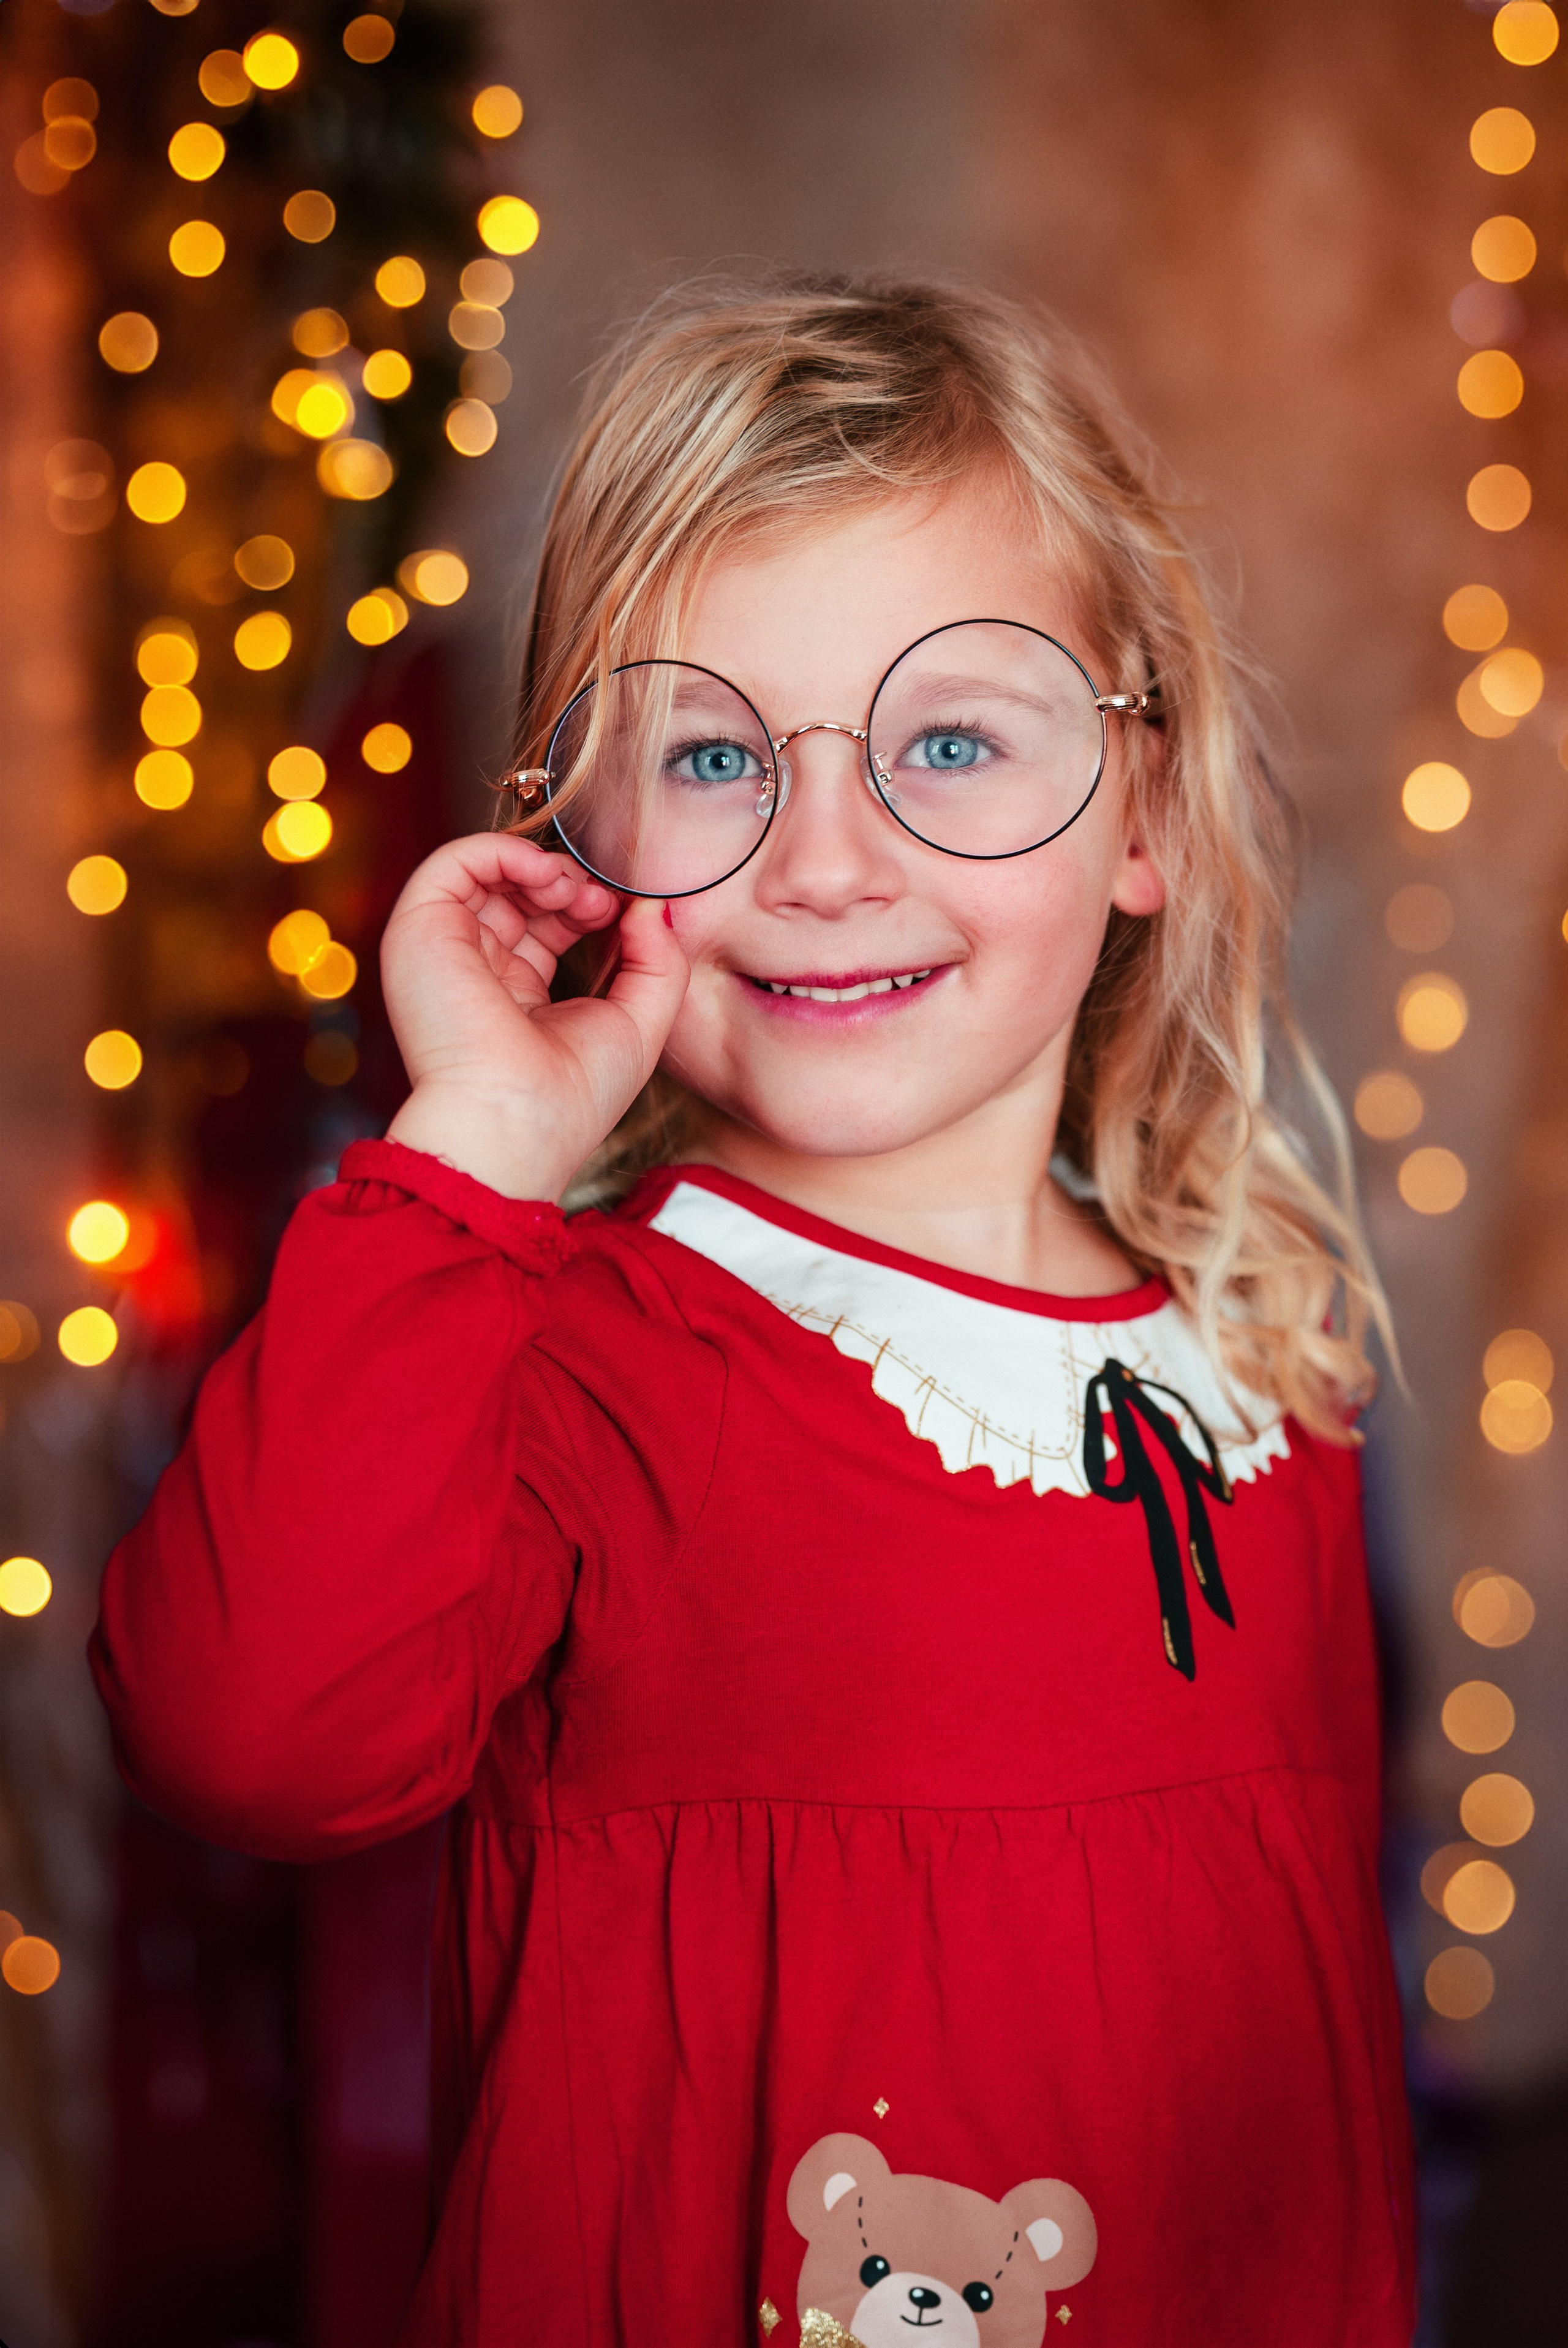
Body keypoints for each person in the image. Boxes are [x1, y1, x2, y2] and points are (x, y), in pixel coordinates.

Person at [92, 278, 1415, 2348]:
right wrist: (476, 1156)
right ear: (578, 837)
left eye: (954, 740)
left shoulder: (1268, 1370)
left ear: (1145, 809)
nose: (826, 857)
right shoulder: (568, 1352)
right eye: (714, 752)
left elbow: (1304, 2072)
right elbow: (241, 1731)